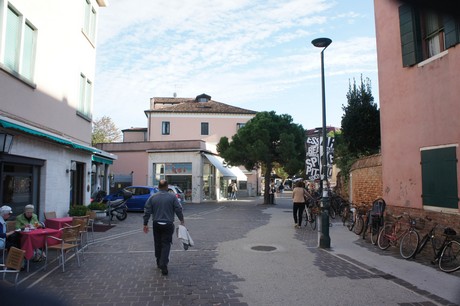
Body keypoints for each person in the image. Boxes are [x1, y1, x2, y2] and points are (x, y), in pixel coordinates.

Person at [143, 179, 184, 276]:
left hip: (156, 223)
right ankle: (163, 263)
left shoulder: (152, 197)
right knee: (166, 243)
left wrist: (145, 223)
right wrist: (181, 219)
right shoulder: (172, 197)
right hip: (168, 224)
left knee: (157, 243)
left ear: (158, 187)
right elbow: (178, 209)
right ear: (167, 187)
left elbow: (147, 210)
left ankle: (158, 261)